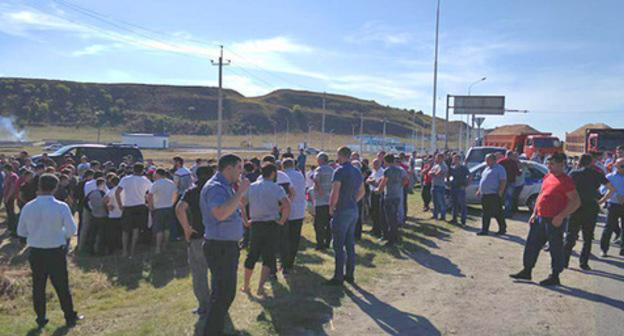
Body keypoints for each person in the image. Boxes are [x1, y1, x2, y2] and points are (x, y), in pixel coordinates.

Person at [17, 174, 83, 328]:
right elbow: (72, 229)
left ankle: (41, 318)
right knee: (62, 285)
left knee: (38, 286)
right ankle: (69, 316)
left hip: (36, 251)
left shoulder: (28, 206)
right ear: (55, 187)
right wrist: (60, 234)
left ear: (39, 186)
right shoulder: (61, 206)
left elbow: (21, 231)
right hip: (55, 250)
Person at [510, 152, 580, 286]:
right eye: (548, 163)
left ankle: (555, 275)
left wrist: (561, 216)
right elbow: (541, 195)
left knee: (555, 248)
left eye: (552, 164)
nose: (549, 166)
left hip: (554, 220)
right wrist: (534, 212)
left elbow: (575, 202)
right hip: (540, 217)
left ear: (561, 164)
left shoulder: (566, 181)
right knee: (531, 245)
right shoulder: (548, 176)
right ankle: (527, 270)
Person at [200, 154, 249, 335]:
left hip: (225, 246)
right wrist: (240, 192)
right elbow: (220, 213)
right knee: (224, 294)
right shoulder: (216, 187)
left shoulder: (225, 186)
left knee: (223, 293)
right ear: (228, 168)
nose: (241, 172)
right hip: (219, 247)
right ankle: (212, 331)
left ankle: (215, 329)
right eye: (239, 168)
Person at [241, 163, 291, 295]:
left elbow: (241, 204)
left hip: (256, 224)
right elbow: (287, 205)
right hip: (271, 224)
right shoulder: (276, 188)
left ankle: (246, 285)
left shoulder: (252, 187)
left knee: (252, 255)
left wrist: (245, 221)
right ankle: (260, 287)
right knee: (268, 256)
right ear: (273, 173)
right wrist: (281, 221)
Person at [563, 154, 614, 270]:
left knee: (570, 235)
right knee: (587, 237)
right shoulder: (596, 174)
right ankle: (584, 263)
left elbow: (564, 188)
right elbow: (612, 189)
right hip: (591, 207)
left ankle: (565, 261)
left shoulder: (573, 173)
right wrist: (601, 201)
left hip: (575, 206)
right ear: (591, 163)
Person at [176, 165, 215, 315]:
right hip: (217, 235)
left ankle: (204, 305)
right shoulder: (216, 190)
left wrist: (187, 229)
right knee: (217, 271)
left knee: (199, 272)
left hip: (198, 235)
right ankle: (218, 301)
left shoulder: (191, 192)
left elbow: (180, 209)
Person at [326, 146, 365, 286]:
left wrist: (331, 207)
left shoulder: (339, 171)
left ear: (341, 156)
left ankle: (338, 276)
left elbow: (335, 191)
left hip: (342, 210)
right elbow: (362, 190)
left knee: (338, 245)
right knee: (350, 244)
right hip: (353, 209)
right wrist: (354, 200)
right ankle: (350, 274)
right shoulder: (356, 171)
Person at [116, 163, 152, 258]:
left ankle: (124, 251)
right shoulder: (145, 180)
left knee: (125, 230)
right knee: (136, 229)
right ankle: (132, 251)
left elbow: (117, 192)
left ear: (133, 169)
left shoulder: (125, 179)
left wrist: (120, 205)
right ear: (142, 170)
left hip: (128, 206)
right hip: (140, 206)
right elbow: (150, 192)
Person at [377, 154, 409, 246]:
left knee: (388, 219)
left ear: (386, 161)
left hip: (389, 196)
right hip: (397, 195)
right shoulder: (399, 170)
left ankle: (391, 239)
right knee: (394, 218)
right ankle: (395, 236)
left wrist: (379, 190)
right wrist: (399, 186)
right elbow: (406, 180)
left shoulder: (387, 170)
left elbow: (383, 183)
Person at [282, 158, 306, 275]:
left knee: (285, 237)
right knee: (295, 237)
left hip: (287, 210)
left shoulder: (283, 176)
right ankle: (291, 261)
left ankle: (285, 262)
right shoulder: (300, 175)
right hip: (299, 210)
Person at [148, 168, 178, 254]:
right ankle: (165, 246)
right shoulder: (171, 183)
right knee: (167, 228)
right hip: (168, 207)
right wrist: (172, 202)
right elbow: (175, 194)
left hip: (158, 208)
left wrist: (151, 206)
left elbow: (150, 196)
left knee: (159, 229)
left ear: (157, 175)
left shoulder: (155, 184)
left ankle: (158, 247)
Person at [476, 154, 507, 236]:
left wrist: (500, 191)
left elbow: (503, 181)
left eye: (487, 160)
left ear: (493, 160)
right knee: (485, 213)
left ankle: (502, 228)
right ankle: (484, 230)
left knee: (497, 212)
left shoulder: (499, 168)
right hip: (485, 194)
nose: (486, 161)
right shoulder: (486, 168)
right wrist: (479, 190)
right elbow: (483, 180)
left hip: (494, 194)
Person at [599, 158, 624, 257]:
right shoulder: (610, 177)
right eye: (622, 166)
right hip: (613, 205)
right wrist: (616, 196)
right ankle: (604, 249)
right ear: (616, 166)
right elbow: (602, 190)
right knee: (608, 228)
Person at [85, 178, 108, 255]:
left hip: (94, 215)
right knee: (102, 234)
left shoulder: (91, 193)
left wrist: (91, 210)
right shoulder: (103, 193)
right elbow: (106, 204)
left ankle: (90, 250)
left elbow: (85, 202)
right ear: (102, 184)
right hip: (103, 215)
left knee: (93, 234)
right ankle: (100, 251)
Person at [448, 154, 471, 226]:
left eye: (456, 159)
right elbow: (448, 175)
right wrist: (448, 182)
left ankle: (463, 220)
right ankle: (454, 219)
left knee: (462, 204)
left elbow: (469, 175)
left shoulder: (463, 168)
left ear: (459, 160)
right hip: (453, 187)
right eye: (454, 159)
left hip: (461, 187)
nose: (454, 160)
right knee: (454, 204)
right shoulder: (452, 168)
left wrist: (467, 184)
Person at [497, 151, 521, 218]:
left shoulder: (501, 162)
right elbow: (518, 173)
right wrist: (521, 171)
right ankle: (507, 212)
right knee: (508, 197)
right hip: (511, 182)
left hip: (502, 182)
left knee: (500, 196)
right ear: (510, 155)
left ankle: (499, 211)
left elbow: (496, 169)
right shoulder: (513, 163)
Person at [103, 176, 123, 255]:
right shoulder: (123, 191)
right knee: (121, 233)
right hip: (122, 214)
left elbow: (104, 200)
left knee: (112, 234)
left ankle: (111, 249)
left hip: (113, 215)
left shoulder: (110, 191)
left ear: (111, 183)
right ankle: (120, 247)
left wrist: (108, 205)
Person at [366, 158, 385, 238]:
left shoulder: (382, 172)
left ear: (380, 164)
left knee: (378, 212)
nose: (374, 165)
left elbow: (379, 184)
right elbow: (367, 180)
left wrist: (372, 182)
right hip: (372, 193)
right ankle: (374, 227)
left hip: (378, 193)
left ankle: (378, 230)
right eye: (373, 164)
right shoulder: (374, 171)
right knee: (373, 211)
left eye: (376, 164)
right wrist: (371, 181)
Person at [429, 153, 448, 220]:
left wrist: (434, 173)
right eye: (437, 158)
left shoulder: (443, 166)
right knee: (434, 202)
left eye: (439, 158)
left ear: (442, 158)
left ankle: (443, 216)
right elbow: (430, 173)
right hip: (434, 184)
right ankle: (435, 215)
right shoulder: (436, 165)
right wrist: (434, 173)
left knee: (441, 202)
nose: (437, 159)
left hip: (440, 186)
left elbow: (438, 173)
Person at [2, 164, 19, 236]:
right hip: (6, 197)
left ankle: (14, 229)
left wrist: (7, 197)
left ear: (7, 169)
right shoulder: (7, 175)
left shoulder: (13, 176)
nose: (3, 170)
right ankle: (10, 227)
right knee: (9, 213)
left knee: (12, 213)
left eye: (4, 169)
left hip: (11, 198)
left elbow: (12, 188)